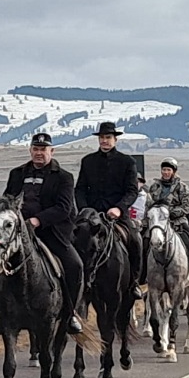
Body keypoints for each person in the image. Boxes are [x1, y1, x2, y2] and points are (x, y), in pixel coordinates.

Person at [0, 132, 84, 335]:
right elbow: (9, 202)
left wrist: (37, 220)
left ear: (52, 151)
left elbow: (64, 208)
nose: (39, 153)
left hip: (52, 233)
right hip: (18, 235)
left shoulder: (64, 177)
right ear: (30, 150)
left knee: (75, 266)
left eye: (43, 149)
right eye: (36, 149)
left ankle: (70, 314)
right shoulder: (17, 174)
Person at [75, 122, 142, 299]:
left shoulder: (127, 162)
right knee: (75, 239)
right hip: (91, 215)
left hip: (117, 215)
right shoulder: (88, 161)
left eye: (108, 138)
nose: (104, 141)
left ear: (115, 139)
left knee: (136, 240)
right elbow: (80, 189)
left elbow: (132, 191)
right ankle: (76, 283)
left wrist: (119, 209)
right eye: (102, 138)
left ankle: (134, 283)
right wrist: (85, 210)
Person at [144, 158, 189, 276]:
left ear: (174, 171)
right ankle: (141, 272)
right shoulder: (154, 187)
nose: (166, 172)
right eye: (164, 170)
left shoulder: (182, 187)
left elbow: (188, 206)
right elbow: (149, 204)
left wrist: (172, 212)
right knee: (144, 240)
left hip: (178, 221)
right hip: (158, 221)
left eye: (168, 170)